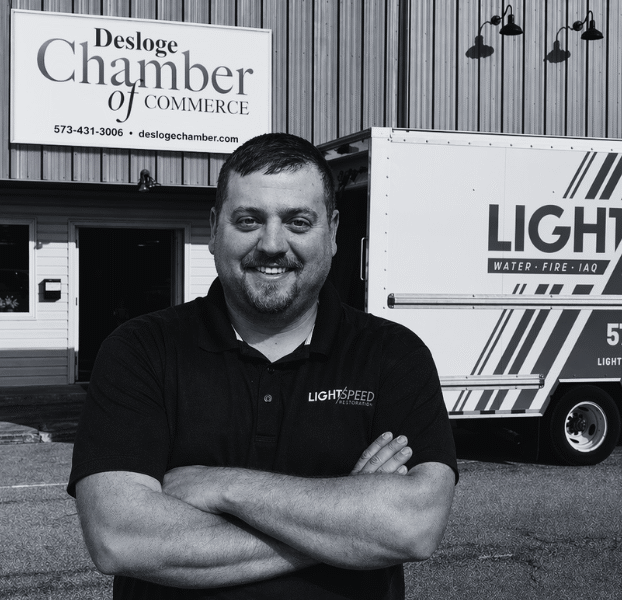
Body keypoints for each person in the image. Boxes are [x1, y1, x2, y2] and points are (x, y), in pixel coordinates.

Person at [68, 132, 458, 599]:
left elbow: (413, 526)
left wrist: (223, 486)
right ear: (214, 229)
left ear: (333, 232)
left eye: (298, 221)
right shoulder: (140, 352)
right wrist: (349, 524)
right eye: (249, 220)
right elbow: (121, 538)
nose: (272, 244)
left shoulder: (394, 355)